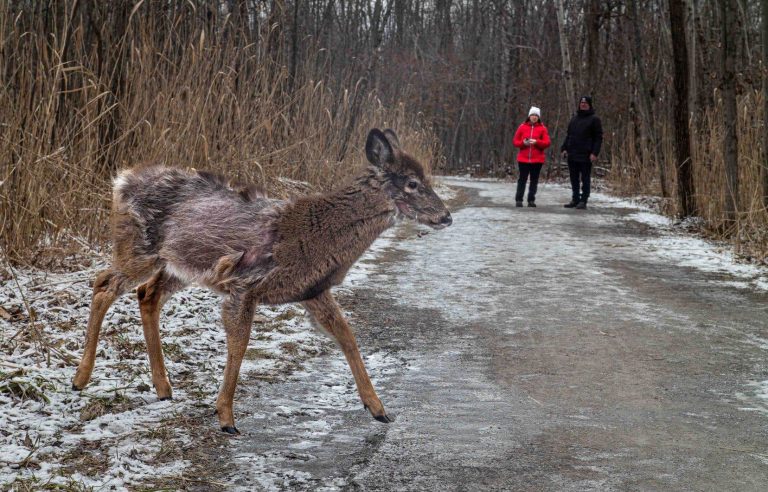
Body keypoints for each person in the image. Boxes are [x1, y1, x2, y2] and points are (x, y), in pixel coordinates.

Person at [561, 95, 603, 210]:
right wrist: (564, 148)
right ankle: (575, 199)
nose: (583, 105)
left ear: (589, 105)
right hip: (572, 153)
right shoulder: (574, 119)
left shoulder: (594, 119)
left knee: (585, 178)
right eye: (581, 103)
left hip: (586, 154)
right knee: (574, 178)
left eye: (585, 103)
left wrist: (595, 152)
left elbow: (598, 138)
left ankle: (584, 200)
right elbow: (569, 135)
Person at [512, 106, 551, 207]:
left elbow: (547, 143)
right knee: (522, 179)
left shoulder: (543, 128)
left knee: (534, 180)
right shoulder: (522, 127)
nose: (534, 117)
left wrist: (537, 142)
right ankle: (519, 199)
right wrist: (523, 143)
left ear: (539, 117)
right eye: (532, 115)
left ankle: (531, 200)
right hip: (523, 159)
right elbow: (515, 142)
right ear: (529, 116)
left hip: (537, 159)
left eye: (536, 115)